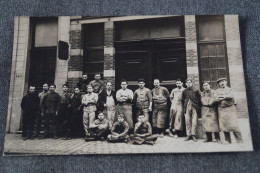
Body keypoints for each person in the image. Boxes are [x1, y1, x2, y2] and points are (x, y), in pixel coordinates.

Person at [215, 78, 243, 144]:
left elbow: (231, 96)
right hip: (221, 110)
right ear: (219, 84)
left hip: (230, 109)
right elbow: (215, 98)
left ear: (226, 82)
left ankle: (239, 140)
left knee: (234, 125)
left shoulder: (230, 89)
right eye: (220, 82)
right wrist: (223, 97)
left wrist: (222, 97)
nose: (222, 83)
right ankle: (228, 140)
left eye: (223, 81)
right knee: (224, 126)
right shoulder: (217, 90)